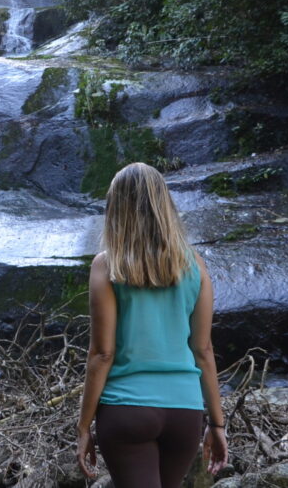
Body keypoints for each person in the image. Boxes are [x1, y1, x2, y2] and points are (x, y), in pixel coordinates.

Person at [76, 162, 228, 487]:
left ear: (117, 208)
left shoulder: (108, 265)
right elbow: (203, 350)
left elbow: (102, 354)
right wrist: (217, 424)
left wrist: (83, 426)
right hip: (184, 411)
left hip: (126, 409)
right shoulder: (195, 265)